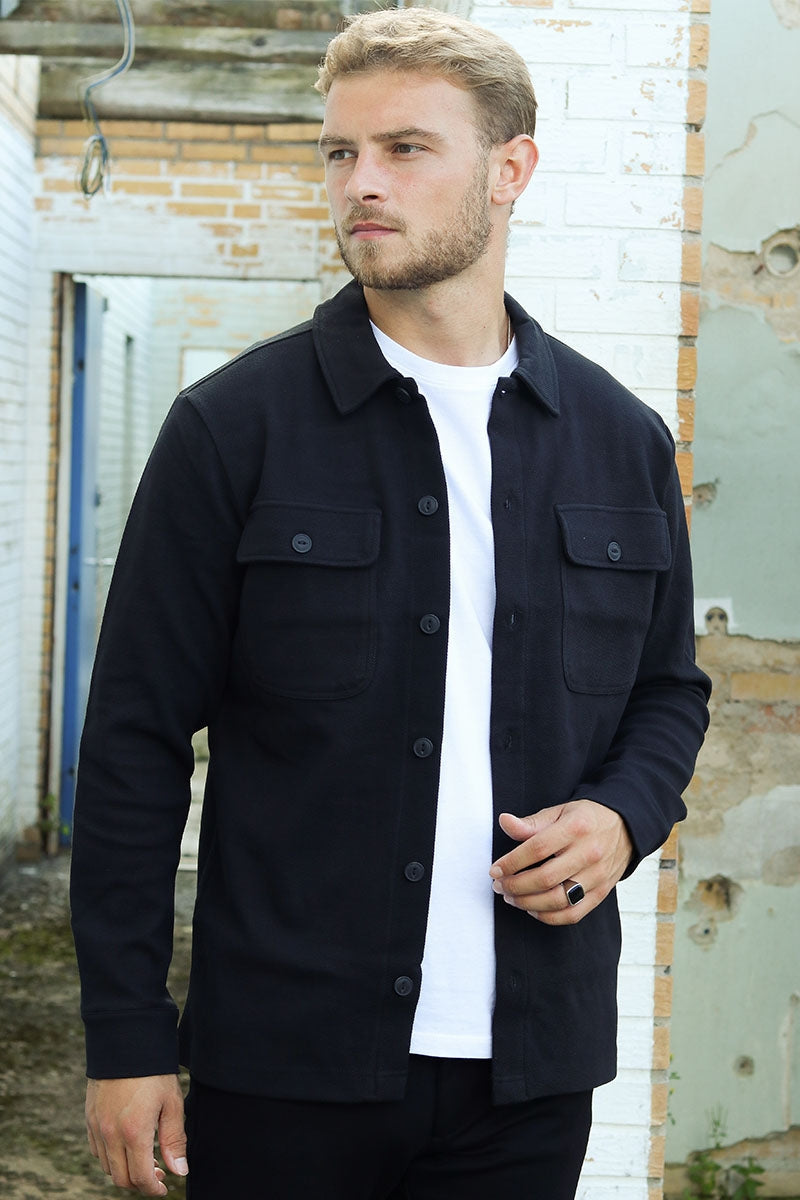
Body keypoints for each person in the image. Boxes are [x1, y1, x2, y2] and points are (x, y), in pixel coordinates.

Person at [70, 7, 711, 1199]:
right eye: (340, 152)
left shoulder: (618, 440)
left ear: (509, 169)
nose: (360, 183)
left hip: (529, 1072)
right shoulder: (232, 429)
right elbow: (131, 743)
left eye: (404, 149)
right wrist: (126, 1035)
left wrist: (622, 818)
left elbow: (668, 690)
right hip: (285, 1064)